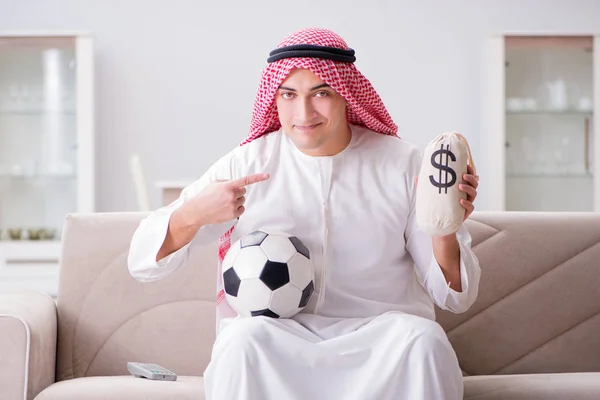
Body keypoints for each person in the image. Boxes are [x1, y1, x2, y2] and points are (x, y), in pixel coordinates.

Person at [128, 27, 481, 400]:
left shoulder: (403, 163)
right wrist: (192, 214)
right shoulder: (247, 163)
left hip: (378, 341)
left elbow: (456, 299)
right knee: (242, 342)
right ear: (274, 98)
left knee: (424, 340)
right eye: (289, 95)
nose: (303, 113)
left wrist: (444, 226)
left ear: (346, 95)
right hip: (279, 342)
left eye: (321, 93)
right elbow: (141, 262)